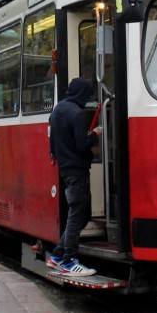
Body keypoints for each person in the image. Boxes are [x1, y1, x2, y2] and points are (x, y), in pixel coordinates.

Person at [47, 77, 99, 277]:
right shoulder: (77, 114)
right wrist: (95, 134)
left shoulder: (57, 110)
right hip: (78, 171)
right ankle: (69, 261)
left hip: (65, 171)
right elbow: (82, 144)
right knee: (77, 216)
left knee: (81, 214)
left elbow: (52, 145)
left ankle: (58, 255)